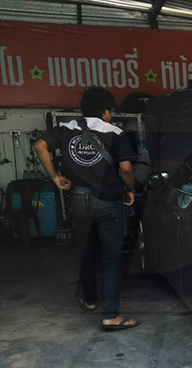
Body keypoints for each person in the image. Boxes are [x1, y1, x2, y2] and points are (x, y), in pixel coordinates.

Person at [34, 87, 141, 331]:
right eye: (110, 111)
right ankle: (111, 316)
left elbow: (40, 145)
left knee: (86, 253)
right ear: (105, 112)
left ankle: (90, 300)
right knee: (111, 259)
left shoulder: (67, 127)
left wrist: (55, 176)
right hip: (108, 201)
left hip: (79, 199)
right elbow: (125, 169)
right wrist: (131, 190)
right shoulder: (115, 133)